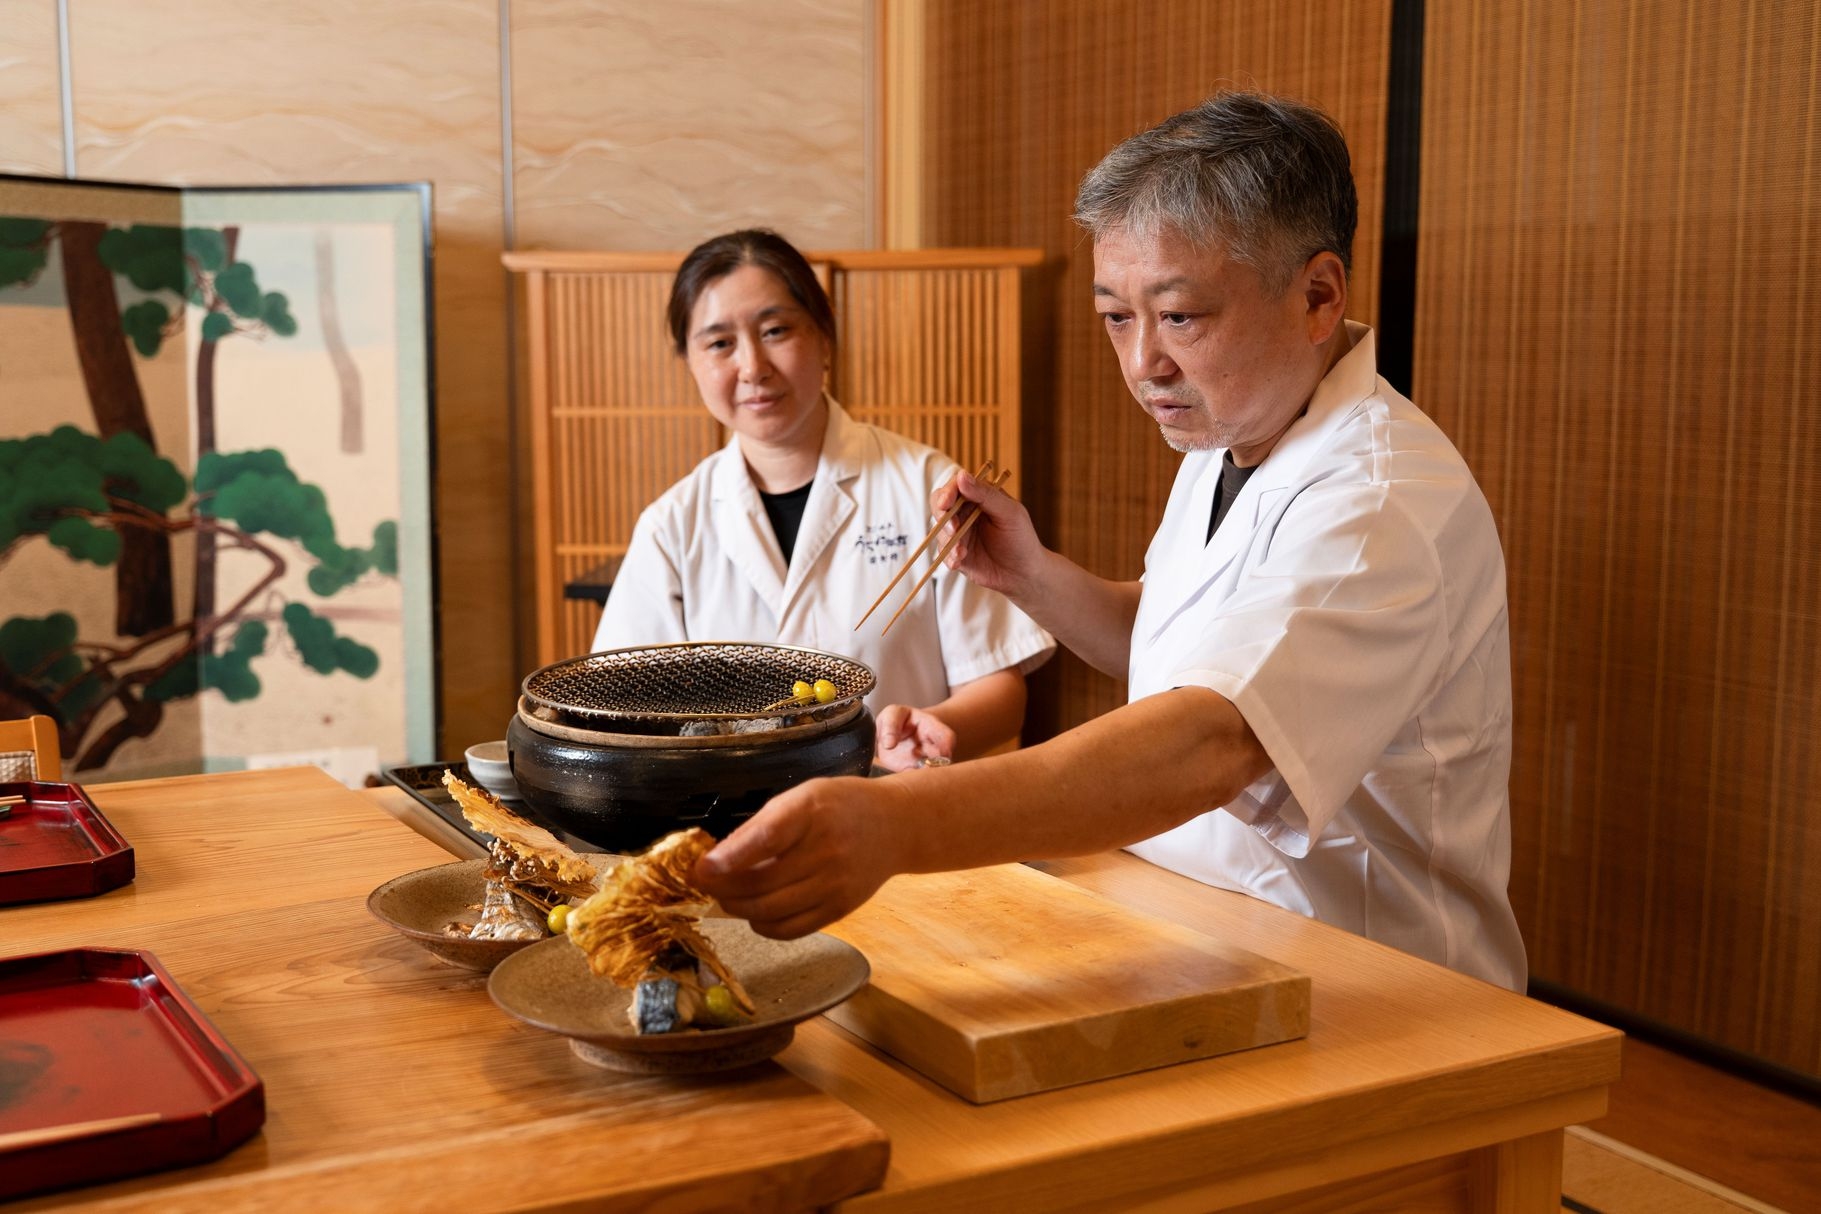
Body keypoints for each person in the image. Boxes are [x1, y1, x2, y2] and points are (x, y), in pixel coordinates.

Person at [693, 92, 1528, 991]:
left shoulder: (1381, 500)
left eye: (1180, 316)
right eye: (1116, 318)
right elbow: (1179, 646)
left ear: (1317, 296)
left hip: (1370, 976)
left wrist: (896, 822)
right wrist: (1032, 576)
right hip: (1195, 923)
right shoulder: (1231, 437)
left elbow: (1211, 741)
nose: (1142, 364)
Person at [592, 229, 1054, 772]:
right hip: (731, 815)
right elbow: (623, 707)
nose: (752, 367)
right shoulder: (671, 526)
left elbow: (998, 688)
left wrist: (934, 729)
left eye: (775, 330)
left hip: (895, 805)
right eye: (719, 344)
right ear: (689, 362)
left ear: (824, 336)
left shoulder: (926, 486)